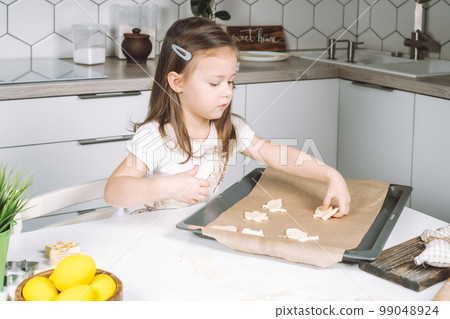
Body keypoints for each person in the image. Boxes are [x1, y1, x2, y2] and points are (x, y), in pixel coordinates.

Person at [104, 17, 350, 216]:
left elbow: (279, 155)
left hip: (195, 235)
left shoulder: (230, 129)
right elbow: (114, 191)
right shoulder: (156, 136)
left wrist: (331, 175)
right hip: (152, 239)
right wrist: (167, 186)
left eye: (231, 81)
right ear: (177, 82)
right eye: (214, 83)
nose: (227, 92)